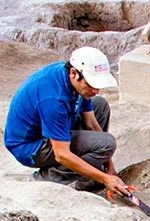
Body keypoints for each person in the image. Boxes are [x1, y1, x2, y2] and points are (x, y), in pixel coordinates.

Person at [4, 46, 129, 195]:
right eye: (92, 85)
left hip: (48, 128)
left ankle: (88, 182)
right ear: (74, 73)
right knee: (106, 144)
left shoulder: (70, 77)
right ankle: (47, 179)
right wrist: (105, 179)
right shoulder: (53, 100)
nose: (96, 91)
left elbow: (91, 123)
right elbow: (61, 154)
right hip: (30, 147)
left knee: (100, 105)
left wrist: (109, 166)